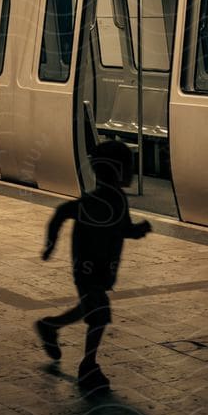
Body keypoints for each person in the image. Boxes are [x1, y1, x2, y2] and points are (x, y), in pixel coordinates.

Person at [34, 139, 152, 393]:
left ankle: (49, 326)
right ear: (115, 170)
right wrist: (50, 245)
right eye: (128, 166)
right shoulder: (98, 200)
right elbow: (64, 211)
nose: (131, 172)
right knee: (99, 314)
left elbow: (120, 229)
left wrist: (137, 230)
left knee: (88, 307)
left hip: (101, 269)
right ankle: (89, 366)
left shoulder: (116, 198)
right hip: (88, 269)